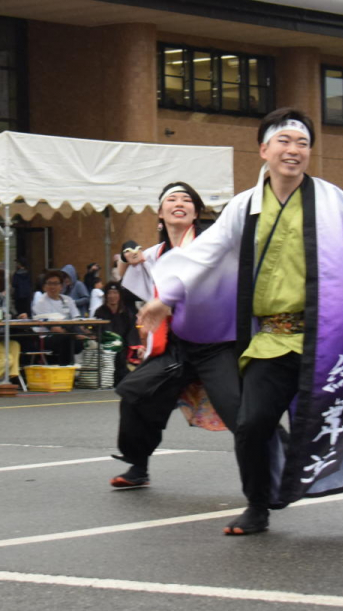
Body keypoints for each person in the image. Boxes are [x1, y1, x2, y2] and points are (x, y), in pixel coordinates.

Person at [142, 108, 343, 541]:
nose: (293, 150)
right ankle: (258, 506)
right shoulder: (244, 206)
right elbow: (202, 254)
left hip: (330, 337)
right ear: (263, 150)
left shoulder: (333, 200)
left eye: (302, 143)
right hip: (273, 340)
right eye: (283, 141)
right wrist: (164, 298)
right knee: (251, 425)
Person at [108, 182, 234, 489]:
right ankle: (137, 465)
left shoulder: (210, 243)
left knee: (239, 407)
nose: (180, 203)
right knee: (136, 395)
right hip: (174, 346)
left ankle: (282, 461)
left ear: (195, 212)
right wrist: (127, 253)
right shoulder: (155, 254)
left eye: (187, 199)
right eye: (172, 199)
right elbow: (119, 273)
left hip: (214, 342)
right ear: (161, 214)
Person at [30, 269, 83, 365]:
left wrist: (83, 333)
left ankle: (77, 372)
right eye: (49, 283)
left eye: (55, 283)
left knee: (83, 341)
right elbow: (54, 328)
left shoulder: (68, 300)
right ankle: (65, 370)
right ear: (45, 286)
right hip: (47, 337)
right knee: (67, 340)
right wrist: (74, 334)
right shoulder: (41, 303)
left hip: (68, 333)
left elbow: (76, 319)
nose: (52, 287)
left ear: (61, 286)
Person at [93, 282, 138, 387]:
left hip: (124, 344)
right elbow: (97, 331)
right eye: (109, 293)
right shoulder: (100, 311)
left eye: (115, 293)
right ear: (106, 295)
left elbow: (132, 329)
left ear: (119, 295)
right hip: (107, 345)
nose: (112, 296)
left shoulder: (126, 312)